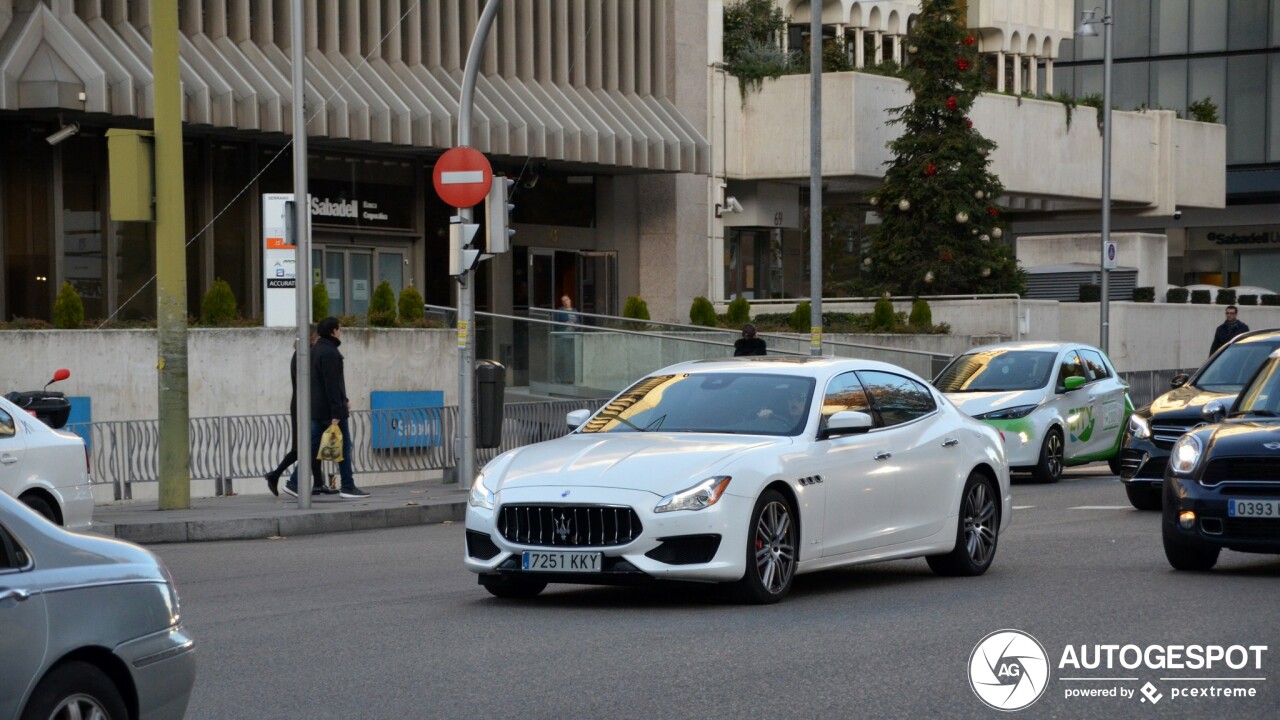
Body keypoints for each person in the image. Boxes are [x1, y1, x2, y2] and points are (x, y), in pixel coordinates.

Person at [286, 316, 370, 499]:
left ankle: (294, 482)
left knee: (312, 447)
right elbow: (332, 385)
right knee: (344, 447)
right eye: (339, 329)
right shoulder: (330, 353)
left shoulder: (315, 351)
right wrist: (337, 411)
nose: (340, 332)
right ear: (333, 331)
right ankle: (348, 486)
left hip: (316, 409)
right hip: (331, 410)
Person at [265, 324, 331, 496]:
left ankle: (318, 483)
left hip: (304, 404)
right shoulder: (303, 356)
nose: (319, 340)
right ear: (311, 337)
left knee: (312, 445)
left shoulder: (302, 355)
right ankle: (277, 476)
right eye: (317, 337)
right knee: (302, 447)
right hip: (304, 405)